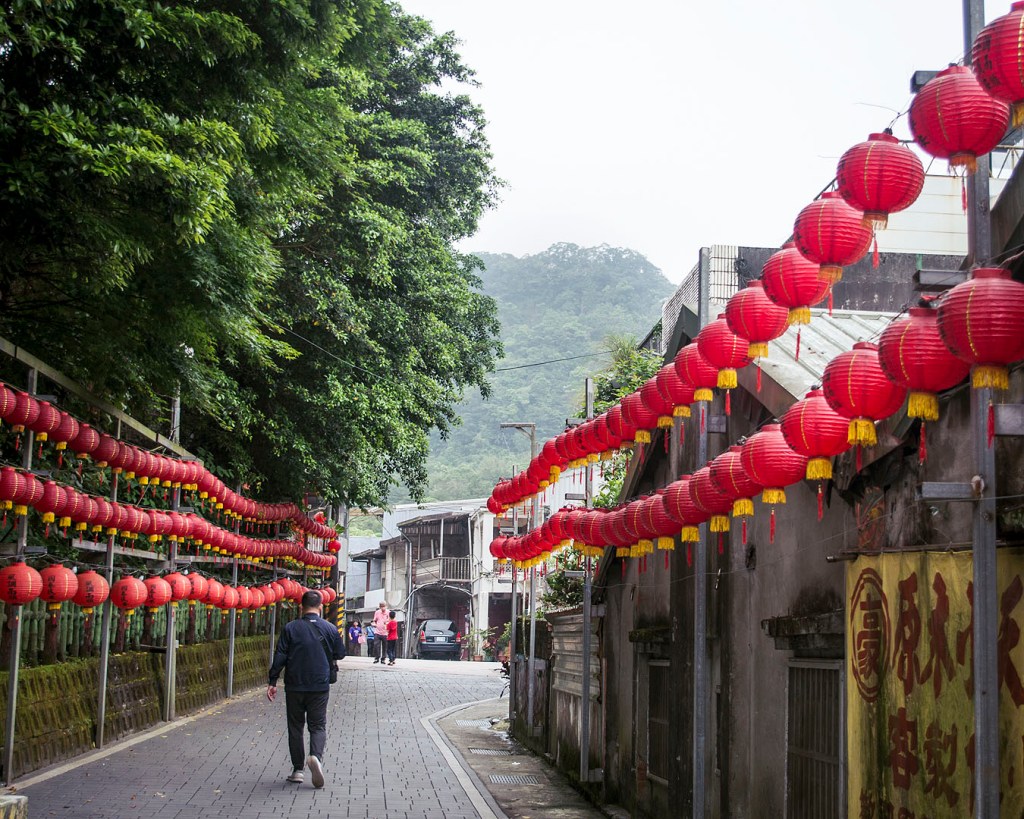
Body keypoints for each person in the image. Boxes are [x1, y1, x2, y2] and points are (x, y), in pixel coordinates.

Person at [267, 590, 346, 788]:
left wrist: (273, 680)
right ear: (320, 607)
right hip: (320, 684)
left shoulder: (290, 628)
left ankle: (298, 770)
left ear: (301, 606)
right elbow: (340, 653)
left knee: (295, 727)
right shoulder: (329, 628)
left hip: (294, 684)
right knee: (317, 725)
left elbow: (280, 656)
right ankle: (315, 757)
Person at [371, 601, 390, 666]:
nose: (383, 608)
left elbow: (390, 621)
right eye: (381, 607)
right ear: (379, 607)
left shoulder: (388, 612)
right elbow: (374, 621)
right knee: (376, 645)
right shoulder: (377, 612)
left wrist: (387, 623)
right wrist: (374, 624)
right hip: (377, 632)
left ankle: (383, 659)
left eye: (384, 606)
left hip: (385, 633)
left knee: (385, 646)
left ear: (386, 606)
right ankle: (376, 658)